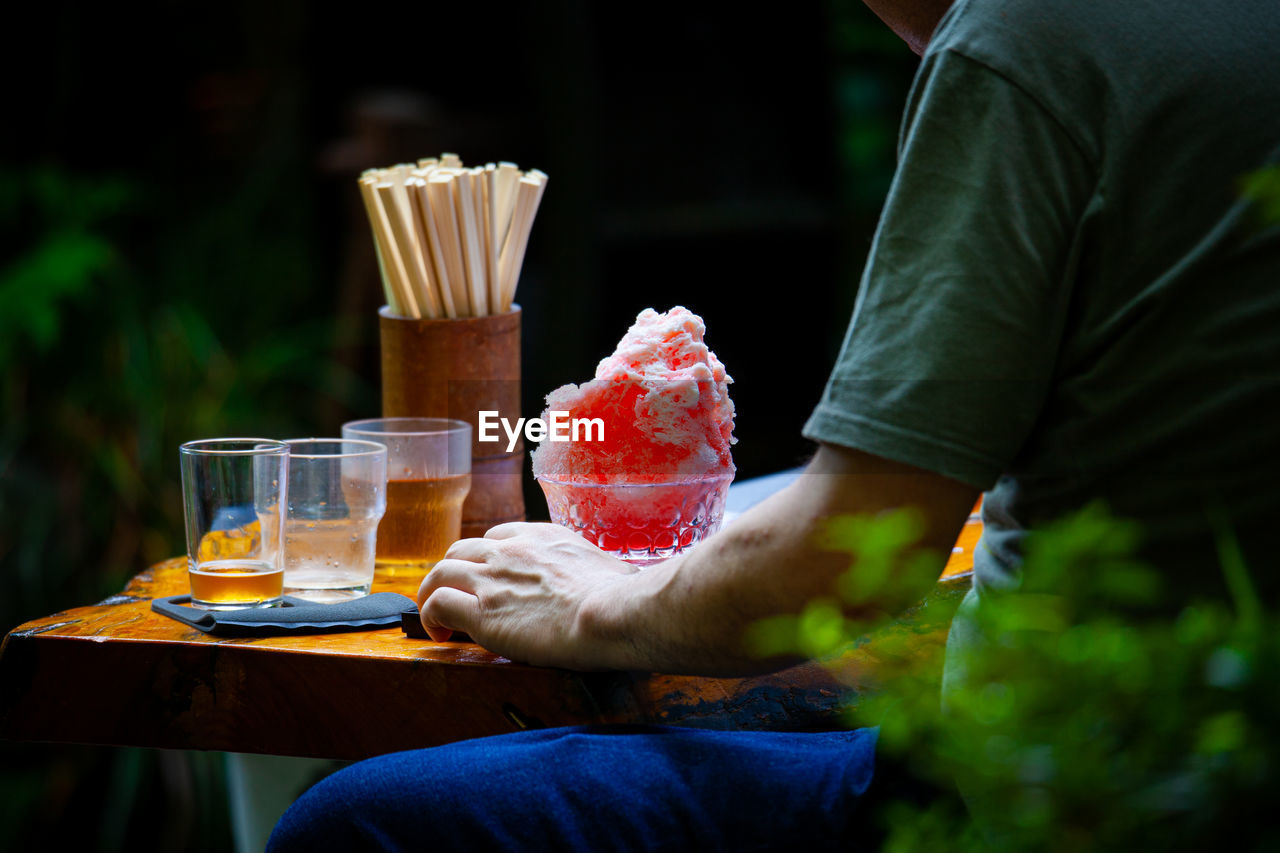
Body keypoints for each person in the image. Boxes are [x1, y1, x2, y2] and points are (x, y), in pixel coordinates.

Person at [268, 0, 1280, 849]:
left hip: (1082, 787)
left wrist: (592, 603)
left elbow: (842, 557)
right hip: (1212, 736)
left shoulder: (1028, 41)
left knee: (360, 823)